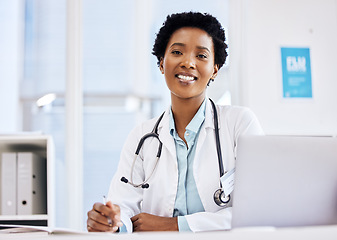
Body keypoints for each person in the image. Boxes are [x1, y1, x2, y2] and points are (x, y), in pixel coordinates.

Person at [87, 11, 264, 233]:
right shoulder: (142, 136)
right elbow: (123, 206)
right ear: (162, 63)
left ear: (215, 70)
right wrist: (110, 222)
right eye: (177, 52)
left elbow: (256, 209)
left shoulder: (240, 124)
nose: (188, 62)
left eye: (201, 56)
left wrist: (176, 226)